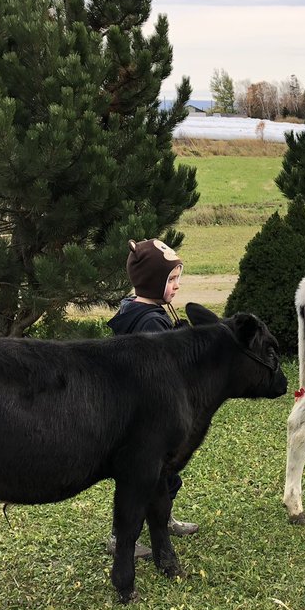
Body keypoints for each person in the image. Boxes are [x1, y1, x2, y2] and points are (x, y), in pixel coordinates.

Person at [104, 238, 199, 558]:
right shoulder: (151, 322)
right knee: (141, 478)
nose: (176, 285)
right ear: (151, 281)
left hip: (135, 408)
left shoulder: (137, 308)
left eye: (177, 278)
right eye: (171, 279)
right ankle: (120, 538)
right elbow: (163, 369)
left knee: (161, 475)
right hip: (147, 415)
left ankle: (164, 516)